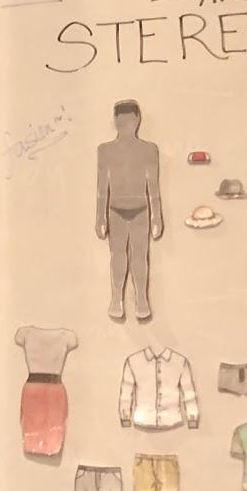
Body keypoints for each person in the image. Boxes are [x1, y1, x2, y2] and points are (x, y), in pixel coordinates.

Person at [93, 99, 163, 323]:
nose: (125, 125)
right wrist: (100, 216)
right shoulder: (105, 151)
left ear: (137, 120)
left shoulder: (149, 150)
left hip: (141, 209)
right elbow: (102, 187)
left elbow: (153, 186)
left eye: (129, 121)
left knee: (140, 257)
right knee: (118, 257)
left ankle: (141, 300)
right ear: (115, 122)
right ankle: (116, 299)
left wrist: (157, 217)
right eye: (120, 122)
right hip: (116, 211)